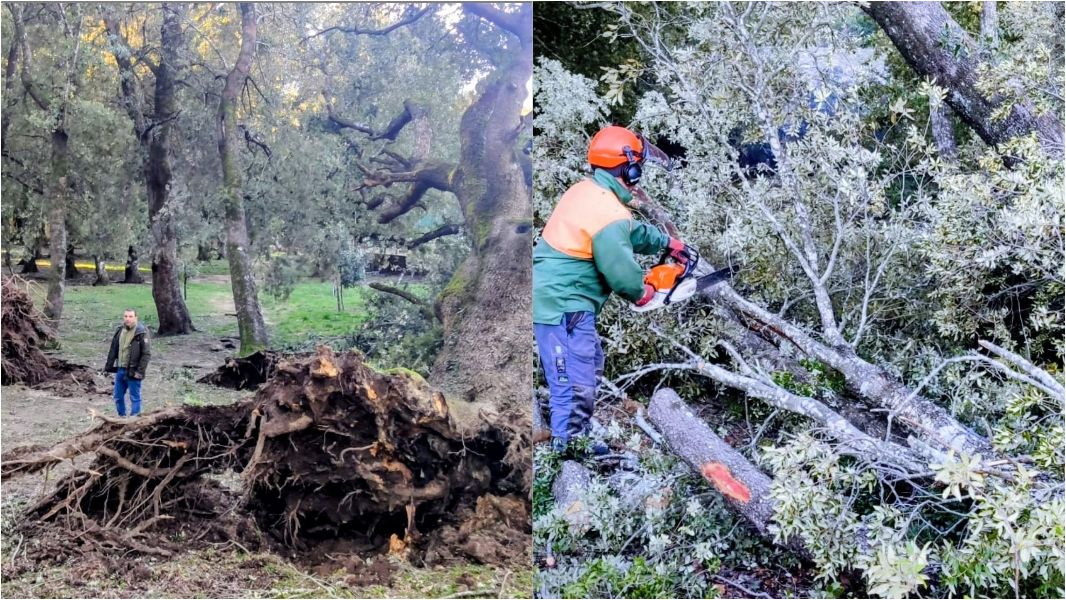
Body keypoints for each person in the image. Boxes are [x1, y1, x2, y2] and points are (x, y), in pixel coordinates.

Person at [533, 125, 689, 456]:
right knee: (574, 382)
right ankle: (570, 449)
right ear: (629, 168)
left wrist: (666, 243)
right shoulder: (609, 211)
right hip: (563, 304)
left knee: (588, 366)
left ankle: (576, 432)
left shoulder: (586, 190)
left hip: (560, 298)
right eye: (638, 166)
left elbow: (629, 231)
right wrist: (643, 293)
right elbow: (621, 273)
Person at [104, 308, 151, 417]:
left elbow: (146, 354)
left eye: (130, 316)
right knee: (118, 396)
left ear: (136, 317)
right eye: (125, 316)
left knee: (135, 397)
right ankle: (122, 417)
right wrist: (109, 366)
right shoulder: (120, 330)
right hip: (120, 369)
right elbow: (113, 349)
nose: (127, 319)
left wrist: (140, 372)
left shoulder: (142, 332)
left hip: (133, 370)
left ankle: (135, 419)